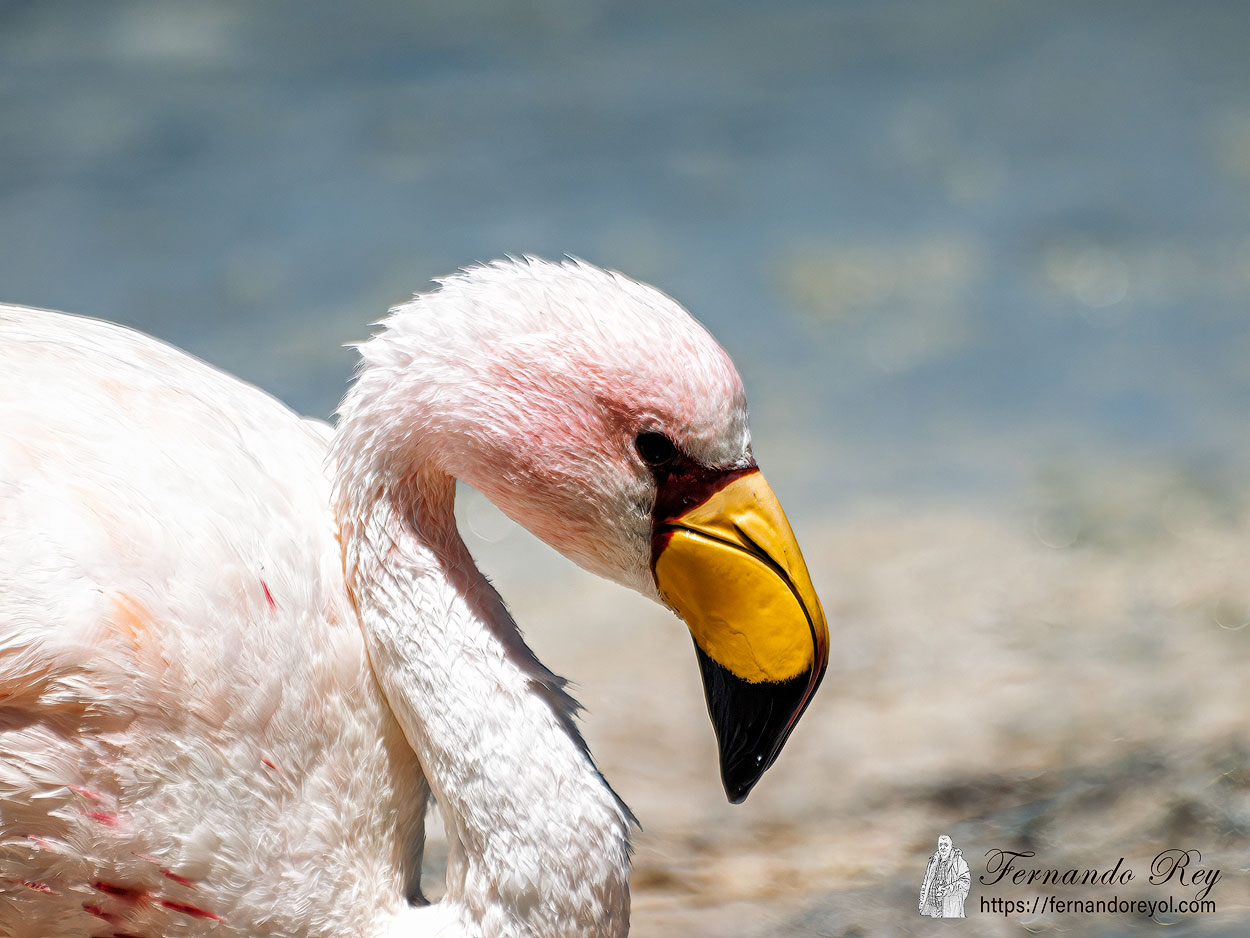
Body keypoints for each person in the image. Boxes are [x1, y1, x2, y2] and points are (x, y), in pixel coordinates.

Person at [918, 835, 970, 917]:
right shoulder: (932, 862)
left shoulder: (959, 862)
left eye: (946, 845)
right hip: (932, 910)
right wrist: (922, 905)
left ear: (951, 846)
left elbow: (965, 883)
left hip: (949, 911)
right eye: (940, 845)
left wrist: (947, 890)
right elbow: (925, 884)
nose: (943, 847)